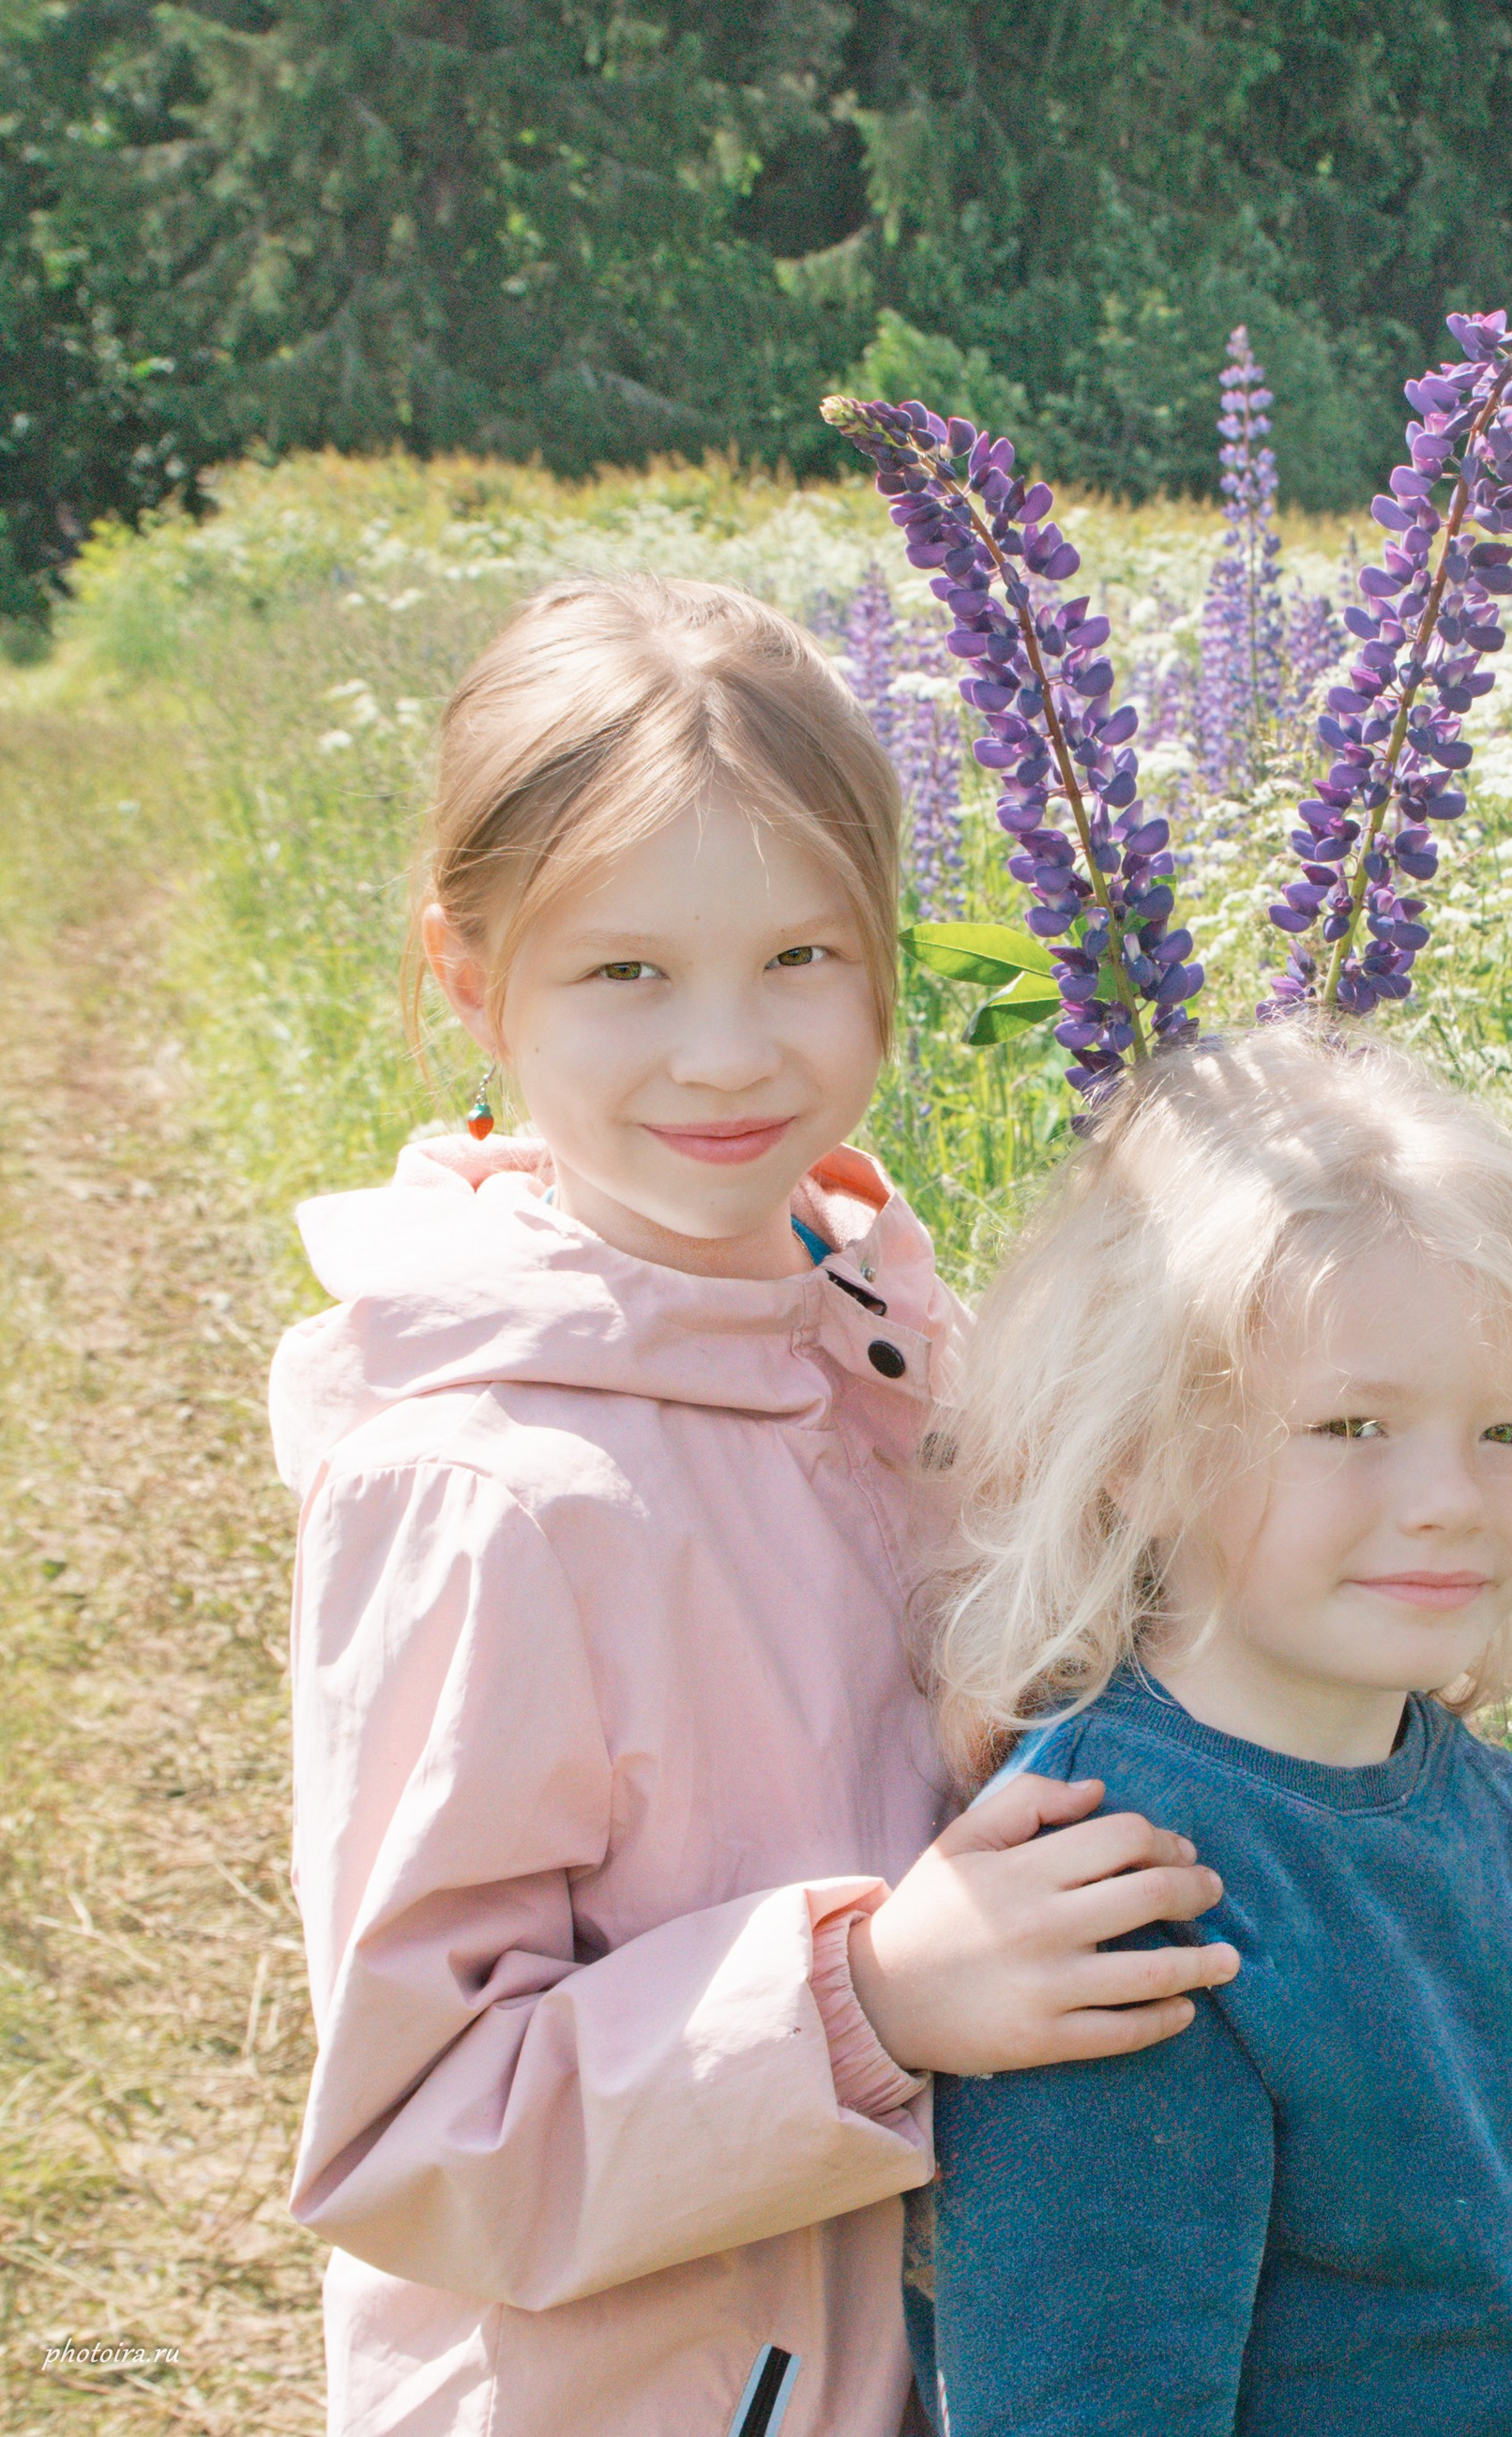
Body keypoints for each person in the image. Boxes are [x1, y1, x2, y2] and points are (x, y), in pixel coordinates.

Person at [268, 574, 1238, 2437]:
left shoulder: (897, 1339)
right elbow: (425, 2139)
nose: (726, 1053)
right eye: (624, 973)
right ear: (469, 980)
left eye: (800, 958)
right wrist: (866, 1998)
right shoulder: (481, 1493)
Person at [909, 1022, 1512, 2436]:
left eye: (1508, 1430)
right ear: (1142, 1451)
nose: (1447, 1497)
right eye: (1353, 1426)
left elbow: (1493, 2302)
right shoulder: (1116, 1883)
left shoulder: (1489, 1813)